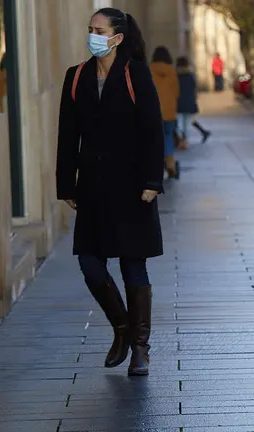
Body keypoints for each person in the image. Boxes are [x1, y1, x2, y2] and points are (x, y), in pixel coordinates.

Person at [55, 7, 165, 377]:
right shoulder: (76, 77)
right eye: (90, 29)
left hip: (133, 188)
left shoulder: (135, 73)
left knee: (133, 265)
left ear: (117, 37)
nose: (93, 35)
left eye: (99, 30)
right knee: (90, 263)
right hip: (93, 188)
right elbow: (67, 135)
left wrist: (153, 182)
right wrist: (65, 184)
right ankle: (122, 327)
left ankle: (139, 349)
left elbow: (152, 129)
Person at [150, 46, 181, 179]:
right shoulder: (171, 71)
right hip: (169, 112)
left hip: (152, 111)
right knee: (168, 137)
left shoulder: (149, 70)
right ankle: (170, 164)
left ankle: (155, 167)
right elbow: (176, 92)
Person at [175, 56, 209, 148]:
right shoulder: (191, 75)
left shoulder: (175, 76)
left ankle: (180, 139)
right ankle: (185, 141)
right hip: (189, 102)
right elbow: (194, 89)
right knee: (187, 124)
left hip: (178, 103)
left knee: (178, 123)